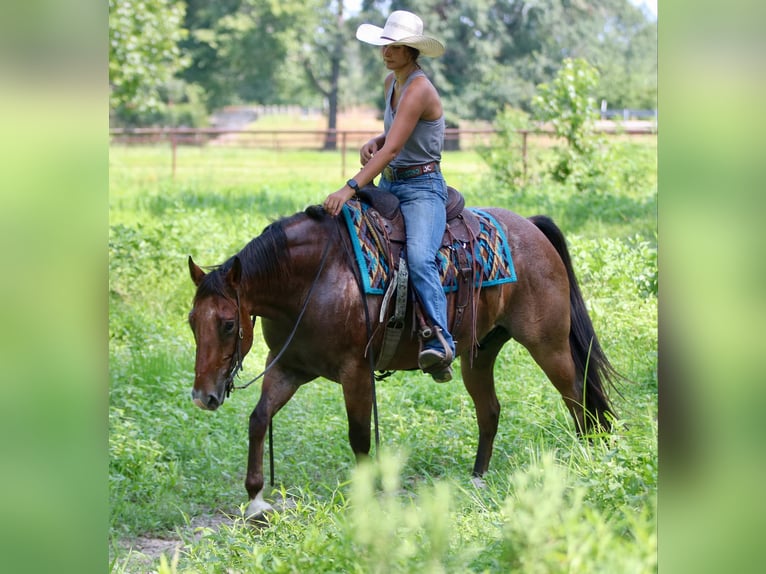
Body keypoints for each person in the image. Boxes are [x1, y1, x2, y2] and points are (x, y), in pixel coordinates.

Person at [322, 10, 455, 383]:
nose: (387, 51)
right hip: (392, 183)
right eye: (385, 44)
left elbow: (395, 149)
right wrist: (376, 139)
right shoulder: (390, 84)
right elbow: (395, 135)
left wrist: (350, 187)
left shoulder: (419, 88)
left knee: (418, 256)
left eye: (396, 46)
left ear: (412, 51)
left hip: (422, 188)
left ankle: (442, 340)